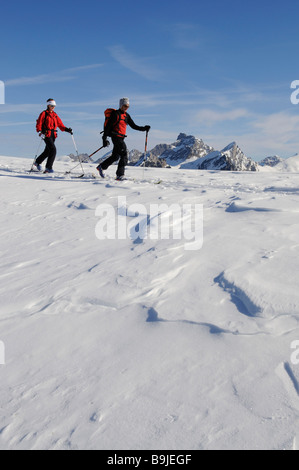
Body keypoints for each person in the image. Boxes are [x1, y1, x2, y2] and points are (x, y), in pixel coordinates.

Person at [97, 98, 150, 180]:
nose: (126, 108)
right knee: (124, 155)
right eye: (125, 106)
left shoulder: (126, 115)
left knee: (115, 156)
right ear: (121, 105)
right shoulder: (115, 114)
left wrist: (144, 128)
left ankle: (101, 167)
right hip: (116, 137)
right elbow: (107, 128)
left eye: (128, 106)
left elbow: (134, 126)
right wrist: (104, 139)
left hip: (121, 138)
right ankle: (120, 175)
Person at [34, 99, 73, 173]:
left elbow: (60, 125)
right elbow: (39, 123)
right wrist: (40, 132)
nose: (53, 107)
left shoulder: (55, 115)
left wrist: (67, 130)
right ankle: (48, 168)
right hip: (46, 133)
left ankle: (37, 162)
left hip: (53, 134)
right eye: (52, 106)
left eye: (54, 106)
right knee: (53, 150)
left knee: (47, 151)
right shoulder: (44, 113)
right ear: (48, 105)